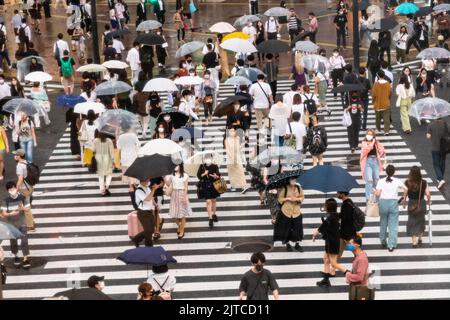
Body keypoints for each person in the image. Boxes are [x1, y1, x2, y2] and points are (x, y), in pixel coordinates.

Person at [374, 165, 407, 252]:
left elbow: (377, 194)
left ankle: (383, 240)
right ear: (394, 172)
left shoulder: (381, 181)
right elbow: (406, 189)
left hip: (383, 203)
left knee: (383, 223)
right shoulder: (397, 181)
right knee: (393, 225)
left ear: (386, 172)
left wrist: (374, 191)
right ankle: (391, 245)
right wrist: (403, 198)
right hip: (393, 203)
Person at [312, 198, 343, 287]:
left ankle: (347, 272)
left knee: (333, 263)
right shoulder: (335, 215)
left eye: (325, 205)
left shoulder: (331, 217)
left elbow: (323, 226)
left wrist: (315, 233)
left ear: (328, 207)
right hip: (331, 241)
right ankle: (326, 279)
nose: (324, 206)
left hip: (333, 242)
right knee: (326, 259)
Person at [1, 182, 31, 269]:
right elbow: (4, 213)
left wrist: (22, 208)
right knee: (13, 242)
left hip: (22, 223)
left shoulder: (22, 197)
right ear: (7, 191)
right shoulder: (5, 200)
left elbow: (28, 208)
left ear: (16, 188)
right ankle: (16, 256)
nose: (12, 190)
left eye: (13, 188)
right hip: (11, 226)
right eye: (10, 189)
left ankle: (25, 258)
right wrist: (11, 214)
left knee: (24, 241)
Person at [274, 177, 305, 252]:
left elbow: (302, 197)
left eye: (294, 179)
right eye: (292, 180)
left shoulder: (298, 187)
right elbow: (280, 199)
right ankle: (287, 244)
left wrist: (297, 199)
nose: (293, 181)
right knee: (286, 229)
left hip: (296, 212)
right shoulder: (285, 188)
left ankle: (297, 244)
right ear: (289, 180)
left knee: (298, 229)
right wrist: (287, 199)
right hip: (286, 211)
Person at [133, 179, 162, 247]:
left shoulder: (147, 187)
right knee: (148, 230)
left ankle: (136, 239)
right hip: (142, 213)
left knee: (151, 230)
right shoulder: (138, 190)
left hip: (149, 211)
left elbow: (151, 198)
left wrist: (156, 205)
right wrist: (153, 190)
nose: (148, 181)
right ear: (142, 181)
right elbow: (147, 198)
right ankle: (149, 246)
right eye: (147, 180)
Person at [165, 164, 191, 239]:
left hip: (181, 193)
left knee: (182, 214)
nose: (175, 166)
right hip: (174, 194)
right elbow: (168, 183)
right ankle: (180, 225)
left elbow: (186, 187)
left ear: (180, 166)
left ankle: (182, 231)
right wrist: (164, 178)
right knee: (174, 214)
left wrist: (185, 196)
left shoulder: (185, 175)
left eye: (177, 165)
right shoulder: (172, 175)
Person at [13, 149, 35, 232]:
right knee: (24, 206)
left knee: (26, 208)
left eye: (16, 155)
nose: (14, 156)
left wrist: (16, 189)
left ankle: (30, 226)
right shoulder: (27, 162)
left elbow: (20, 179)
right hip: (30, 186)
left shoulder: (19, 165)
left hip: (24, 188)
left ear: (19, 156)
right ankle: (30, 221)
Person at [360, 129, 385, 201]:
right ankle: (368, 199)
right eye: (368, 134)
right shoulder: (364, 143)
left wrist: (382, 152)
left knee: (376, 179)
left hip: (375, 161)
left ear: (373, 136)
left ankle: (376, 197)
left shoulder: (376, 142)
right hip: (367, 162)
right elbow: (366, 150)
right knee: (369, 180)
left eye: (371, 134)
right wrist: (372, 143)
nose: (369, 136)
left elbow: (382, 150)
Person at [197, 154, 221, 229]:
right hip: (205, 185)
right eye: (206, 158)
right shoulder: (202, 166)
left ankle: (214, 214)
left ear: (211, 158)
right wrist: (204, 173)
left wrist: (216, 176)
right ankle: (210, 218)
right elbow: (198, 176)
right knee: (208, 201)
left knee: (213, 200)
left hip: (213, 185)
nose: (208, 159)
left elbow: (218, 175)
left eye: (209, 158)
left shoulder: (214, 166)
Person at [225, 126, 249, 193]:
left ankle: (244, 186)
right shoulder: (227, 140)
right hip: (230, 159)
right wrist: (232, 158)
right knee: (232, 173)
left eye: (233, 131)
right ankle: (233, 185)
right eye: (230, 131)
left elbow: (238, 148)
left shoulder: (237, 138)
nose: (232, 132)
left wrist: (244, 143)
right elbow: (228, 150)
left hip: (237, 157)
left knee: (240, 172)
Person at [427, 118, 448, 189]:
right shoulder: (445, 125)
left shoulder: (431, 125)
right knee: (442, 163)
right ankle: (440, 178)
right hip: (444, 148)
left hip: (435, 148)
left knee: (436, 164)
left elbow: (428, 136)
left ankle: (440, 178)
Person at [117, 126, 140, 192]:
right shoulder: (133, 135)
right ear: (129, 128)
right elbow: (138, 144)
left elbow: (119, 147)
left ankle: (131, 186)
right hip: (133, 155)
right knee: (133, 171)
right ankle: (133, 185)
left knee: (127, 171)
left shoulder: (121, 137)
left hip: (124, 156)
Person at [92, 133, 114, 197]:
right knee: (109, 174)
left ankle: (102, 190)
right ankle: (106, 187)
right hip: (107, 158)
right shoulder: (109, 141)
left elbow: (93, 150)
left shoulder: (95, 140)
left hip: (98, 158)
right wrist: (113, 160)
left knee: (100, 175)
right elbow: (111, 152)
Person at [336, 191, 356, 259]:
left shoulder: (346, 204)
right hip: (347, 232)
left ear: (343, 194)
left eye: (338, 193)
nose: (337, 194)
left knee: (355, 251)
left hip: (346, 233)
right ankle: (333, 268)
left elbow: (345, 217)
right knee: (338, 252)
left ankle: (361, 263)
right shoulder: (349, 202)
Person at [372, 71, 391, 136]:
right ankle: (386, 131)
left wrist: (373, 101)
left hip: (378, 103)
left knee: (378, 118)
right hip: (386, 103)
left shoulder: (376, 84)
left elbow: (374, 94)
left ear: (378, 76)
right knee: (386, 118)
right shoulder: (388, 83)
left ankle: (378, 128)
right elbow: (390, 93)